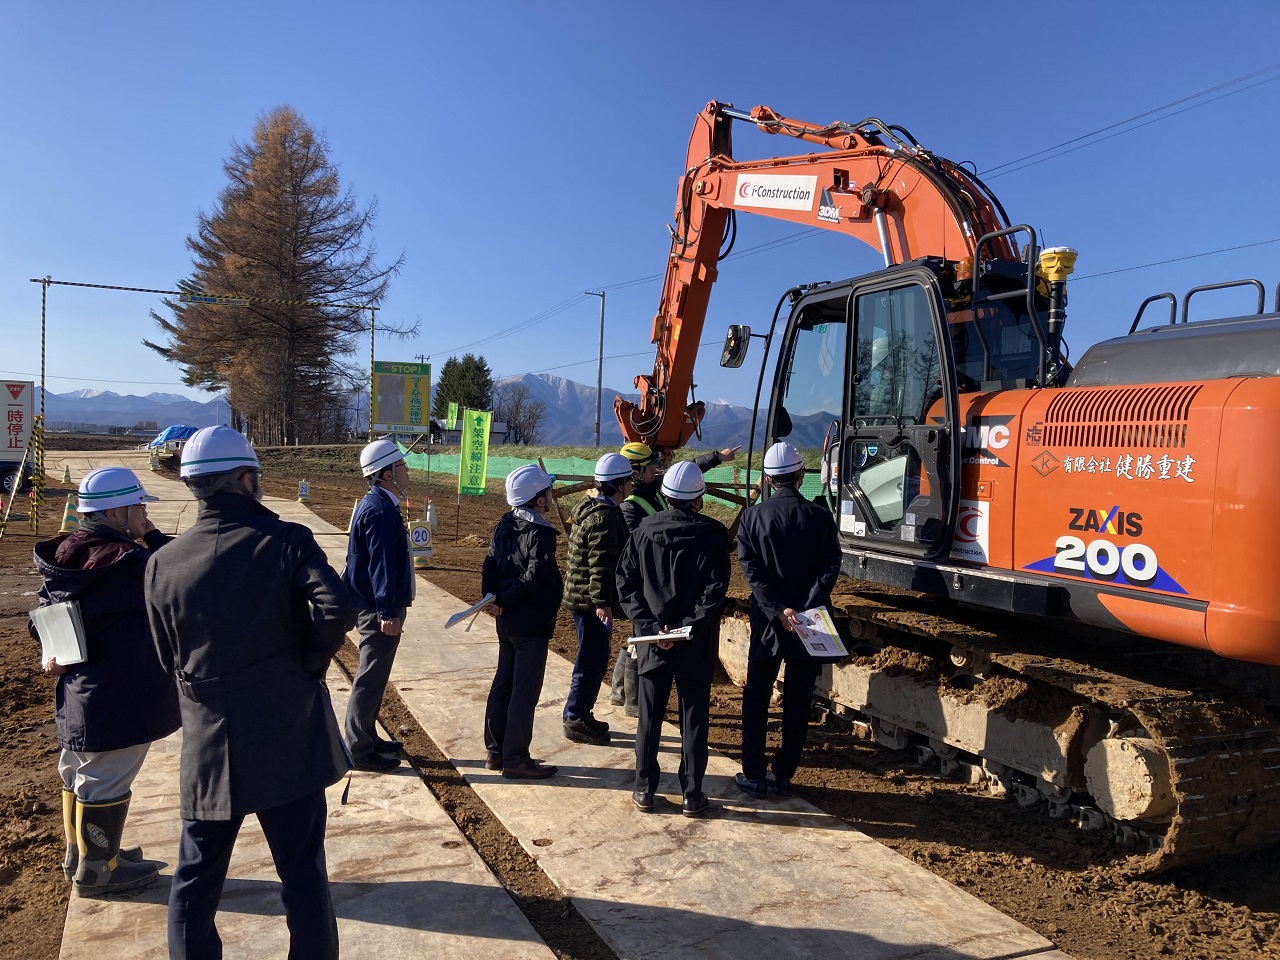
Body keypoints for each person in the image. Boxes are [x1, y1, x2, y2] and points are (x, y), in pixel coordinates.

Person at [145, 425, 355, 960]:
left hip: (209, 742)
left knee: (195, 880)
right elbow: (337, 608)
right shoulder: (285, 540)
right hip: (284, 734)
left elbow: (166, 655)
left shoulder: (162, 563)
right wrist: (307, 665)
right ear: (245, 479)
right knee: (302, 873)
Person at [31, 467, 179, 896]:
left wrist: (51, 651)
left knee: (77, 770)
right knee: (106, 778)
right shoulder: (127, 563)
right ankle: (99, 871)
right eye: (138, 506)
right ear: (115, 512)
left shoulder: (67, 552)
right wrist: (153, 537)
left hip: (80, 690)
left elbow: (41, 616)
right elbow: (182, 577)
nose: (144, 514)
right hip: (122, 692)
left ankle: (81, 854)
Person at [616, 460, 730, 817]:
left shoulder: (642, 532)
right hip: (695, 644)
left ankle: (644, 790)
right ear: (699, 498)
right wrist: (685, 629)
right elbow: (713, 594)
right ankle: (692, 795)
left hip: (652, 641)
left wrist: (651, 628)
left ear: (665, 496)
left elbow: (625, 584)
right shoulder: (714, 536)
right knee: (693, 720)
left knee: (649, 718)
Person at [734, 442, 841, 800]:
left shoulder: (752, 518)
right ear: (800, 475)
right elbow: (830, 566)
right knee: (798, 700)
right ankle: (783, 774)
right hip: (809, 622)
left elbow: (752, 570)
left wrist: (778, 610)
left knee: (757, 696)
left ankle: (754, 773)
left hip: (769, 622)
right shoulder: (820, 517)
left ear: (767, 478)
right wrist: (804, 607)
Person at [610, 442, 741, 716]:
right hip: (652, 588)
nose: (657, 469)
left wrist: (717, 456)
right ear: (635, 472)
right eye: (651, 465)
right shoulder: (631, 507)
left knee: (643, 644)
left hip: (662, 589)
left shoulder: (655, 488)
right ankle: (630, 698)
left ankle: (622, 692)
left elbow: (685, 471)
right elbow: (640, 554)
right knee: (640, 644)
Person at [482, 464, 563, 779]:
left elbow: (489, 564)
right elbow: (534, 578)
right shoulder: (541, 533)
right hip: (530, 622)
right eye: (547, 492)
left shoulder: (504, 523)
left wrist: (491, 598)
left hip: (506, 620)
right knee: (524, 691)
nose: (550, 496)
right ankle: (516, 758)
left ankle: (496, 751)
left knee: (504, 682)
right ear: (538, 499)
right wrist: (501, 600)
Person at [343, 437, 415, 773]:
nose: (407, 470)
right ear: (387, 474)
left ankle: (368, 737)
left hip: (376, 606)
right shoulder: (381, 511)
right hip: (377, 610)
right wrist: (386, 611)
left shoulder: (378, 505)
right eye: (401, 465)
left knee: (376, 676)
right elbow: (380, 565)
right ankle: (358, 748)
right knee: (370, 678)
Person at [560, 453, 634, 746]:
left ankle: (581, 712)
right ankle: (575, 717)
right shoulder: (604, 518)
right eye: (628, 480)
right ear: (618, 484)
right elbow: (600, 565)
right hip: (591, 603)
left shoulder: (592, 509)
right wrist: (603, 603)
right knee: (591, 659)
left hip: (583, 598)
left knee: (594, 657)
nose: (631, 485)